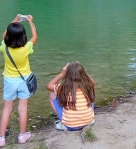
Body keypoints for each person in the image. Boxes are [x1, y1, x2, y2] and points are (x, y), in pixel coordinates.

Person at [0, 14, 37, 147]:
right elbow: (35, 37)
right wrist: (31, 22)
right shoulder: (26, 48)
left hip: (9, 81)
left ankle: (1, 138)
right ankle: (22, 136)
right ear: (23, 37)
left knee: (6, 109)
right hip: (24, 80)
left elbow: (4, 35)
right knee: (22, 108)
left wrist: (15, 19)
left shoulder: (5, 46)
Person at [46, 62, 95, 131]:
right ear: (83, 73)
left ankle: (63, 120)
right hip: (88, 122)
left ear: (67, 74)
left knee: (52, 93)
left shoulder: (62, 87)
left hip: (70, 125)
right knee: (90, 93)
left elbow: (48, 86)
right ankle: (85, 116)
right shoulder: (87, 85)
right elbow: (92, 81)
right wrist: (81, 71)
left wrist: (61, 74)